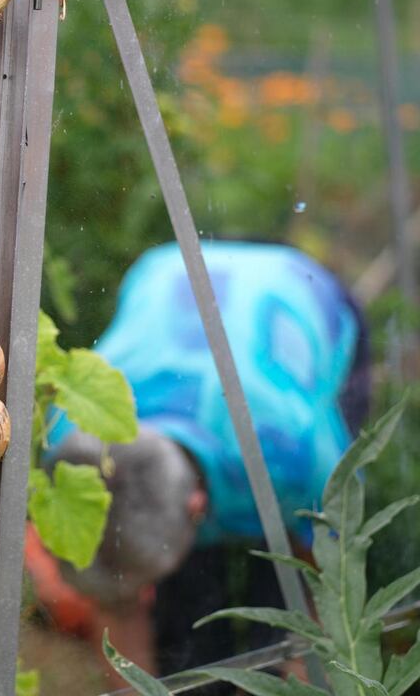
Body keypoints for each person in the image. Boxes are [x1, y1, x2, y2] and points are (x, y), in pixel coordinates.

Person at [26, 240, 370, 678]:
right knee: (186, 620)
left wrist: (294, 672)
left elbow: (326, 577)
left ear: (198, 508)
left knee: (280, 577)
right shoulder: (71, 431)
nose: (135, 597)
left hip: (300, 289)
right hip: (167, 267)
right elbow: (115, 601)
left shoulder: (292, 451)